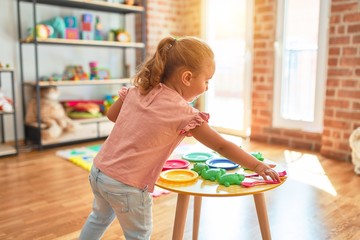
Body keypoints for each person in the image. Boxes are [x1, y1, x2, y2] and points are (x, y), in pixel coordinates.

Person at [79, 36, 280, 240]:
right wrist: (257, 166)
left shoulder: (138, 90)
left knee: (98, 218)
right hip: (126, 185)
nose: (207, 87)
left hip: (99, 172)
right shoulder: (183, 113)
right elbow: (221, 145)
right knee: (138, 235)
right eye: (206, 80)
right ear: (187, 77)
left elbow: (112, 115)